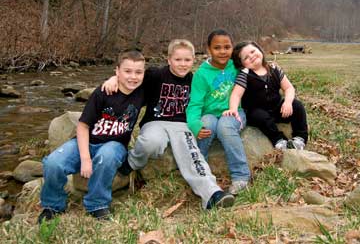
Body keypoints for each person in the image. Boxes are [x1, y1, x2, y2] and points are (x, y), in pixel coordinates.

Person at [102, 39, 235, 210]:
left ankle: (211, 194)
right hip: (155, 122)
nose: (182, 64)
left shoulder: (194, 80)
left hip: (181, 125)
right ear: (169, 59)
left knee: (192, 154)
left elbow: (207, 99)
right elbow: (133, 76)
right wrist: (115, 78)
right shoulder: (155, 75)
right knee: (152, 143)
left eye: (187, 60)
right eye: (178, 60)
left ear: (193, 60)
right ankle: (132, 163)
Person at [38, 51, 146, 223]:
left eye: (138, 72)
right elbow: (82, 126)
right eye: (127, 71)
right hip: (87, 142)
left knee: (107, 156)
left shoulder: (142, 91)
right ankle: (52, 205)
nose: (133, 77)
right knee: (53, 163)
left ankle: (97, 204)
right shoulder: (102, 93)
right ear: (117, 71)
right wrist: (85, 158)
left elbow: (165, 71)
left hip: (114, 144)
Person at [186, 29, 250, 195]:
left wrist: (270, 66)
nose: (222, 51)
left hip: (235, 113)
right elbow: (194, 104)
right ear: (209, 49)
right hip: (209, 114)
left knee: (225, 127)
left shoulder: (236, 65)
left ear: (232, 48)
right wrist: (195, 125)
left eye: (227, 47)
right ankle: (202, 176)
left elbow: (256, 65)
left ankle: (241, 176)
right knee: (206, 124)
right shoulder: (201, 74)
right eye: (217, 48)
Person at [223, 41, 308, 150]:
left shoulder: (274, 69)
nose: (252, 56)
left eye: (253, 51)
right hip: (256, 112)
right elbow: (236, 94)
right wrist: (233, 108)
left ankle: (300, 138)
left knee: (298, 105)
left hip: (277, 109)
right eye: (246, 57)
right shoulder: (245, 75)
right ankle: (279, 140)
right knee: (260, 116)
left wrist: (287, 102)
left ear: (259, 50)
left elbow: (289, 88)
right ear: (242, 64)